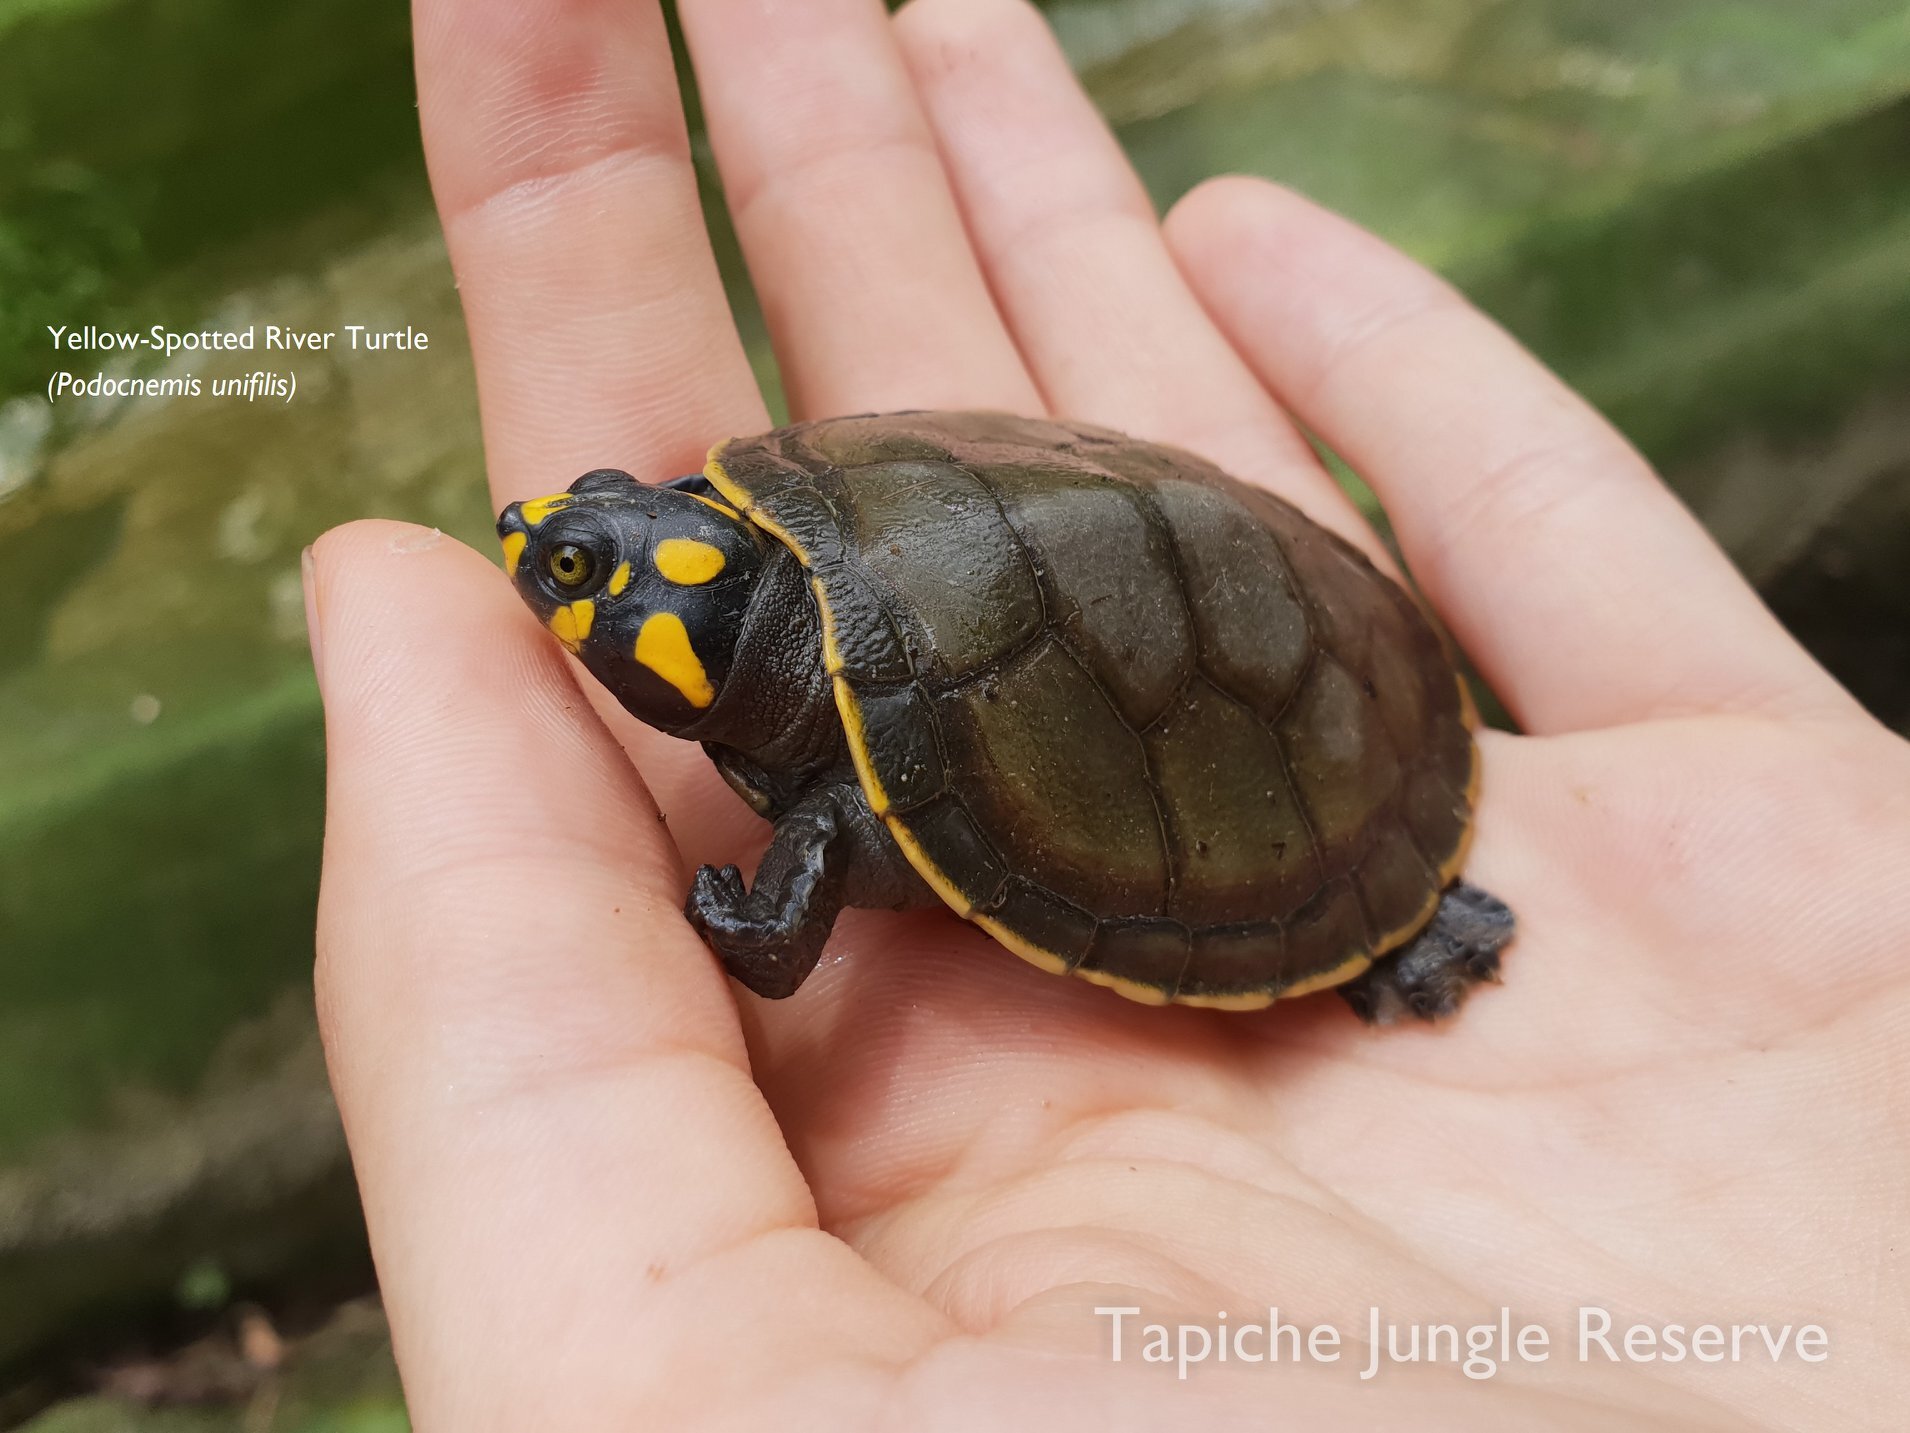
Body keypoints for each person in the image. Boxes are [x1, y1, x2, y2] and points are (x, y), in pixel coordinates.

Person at [300, 0, 1910, 1425]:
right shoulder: (795, 620)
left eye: (585, 557)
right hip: (1127, 556)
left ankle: (1386, 918)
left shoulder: (829, 779)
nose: (541, 555)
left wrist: (741, 920)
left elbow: (803, 883)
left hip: (1227, 641)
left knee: (910, 801)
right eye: (583, 543)